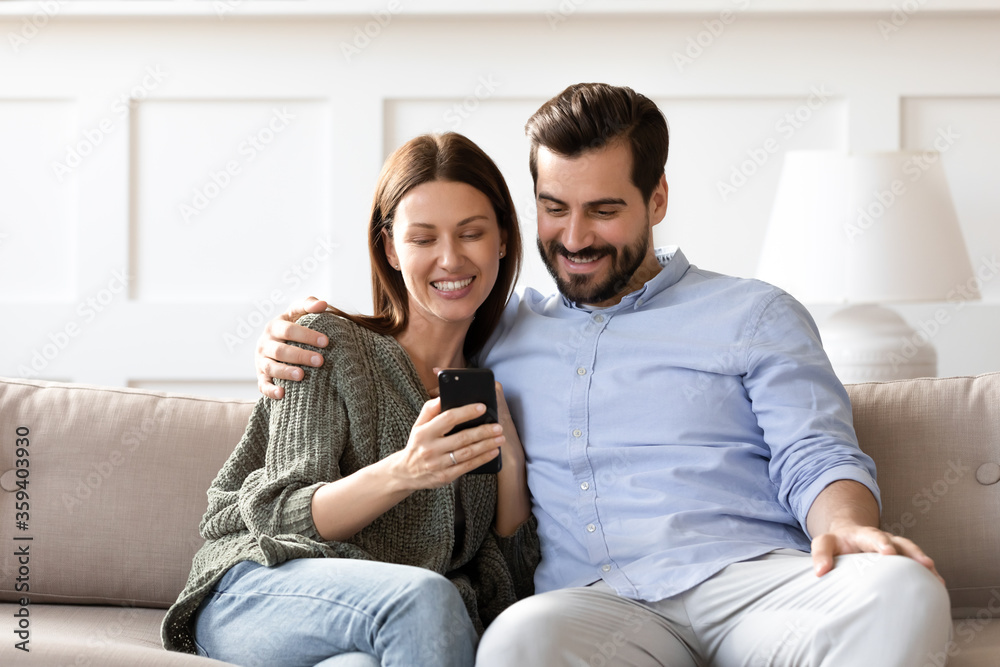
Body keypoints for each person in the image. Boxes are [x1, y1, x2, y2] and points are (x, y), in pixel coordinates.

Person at [253, 84, 952, 666]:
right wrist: (289, 334)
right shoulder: (497, 332)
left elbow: (815, 448)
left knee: (904, 591)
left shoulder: (753, 312)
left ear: (657, 199)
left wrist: (849, 522)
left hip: (752, 585)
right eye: (555, 208)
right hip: (595, 607)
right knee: (515, 642)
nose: (577, 236)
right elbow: (419, 308)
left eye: (605, 209)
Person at [161, 132, 538, 667]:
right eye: (424, 238)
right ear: (390, 247)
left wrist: (511, 461)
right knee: (423, 598)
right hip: (260, 587)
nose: (450, 259)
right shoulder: (324, 346)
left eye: (471, 233)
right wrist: (406, 471)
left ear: (502, 238)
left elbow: (512, 581)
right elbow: (278, 518)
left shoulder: (489, 389)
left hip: (384, 625)